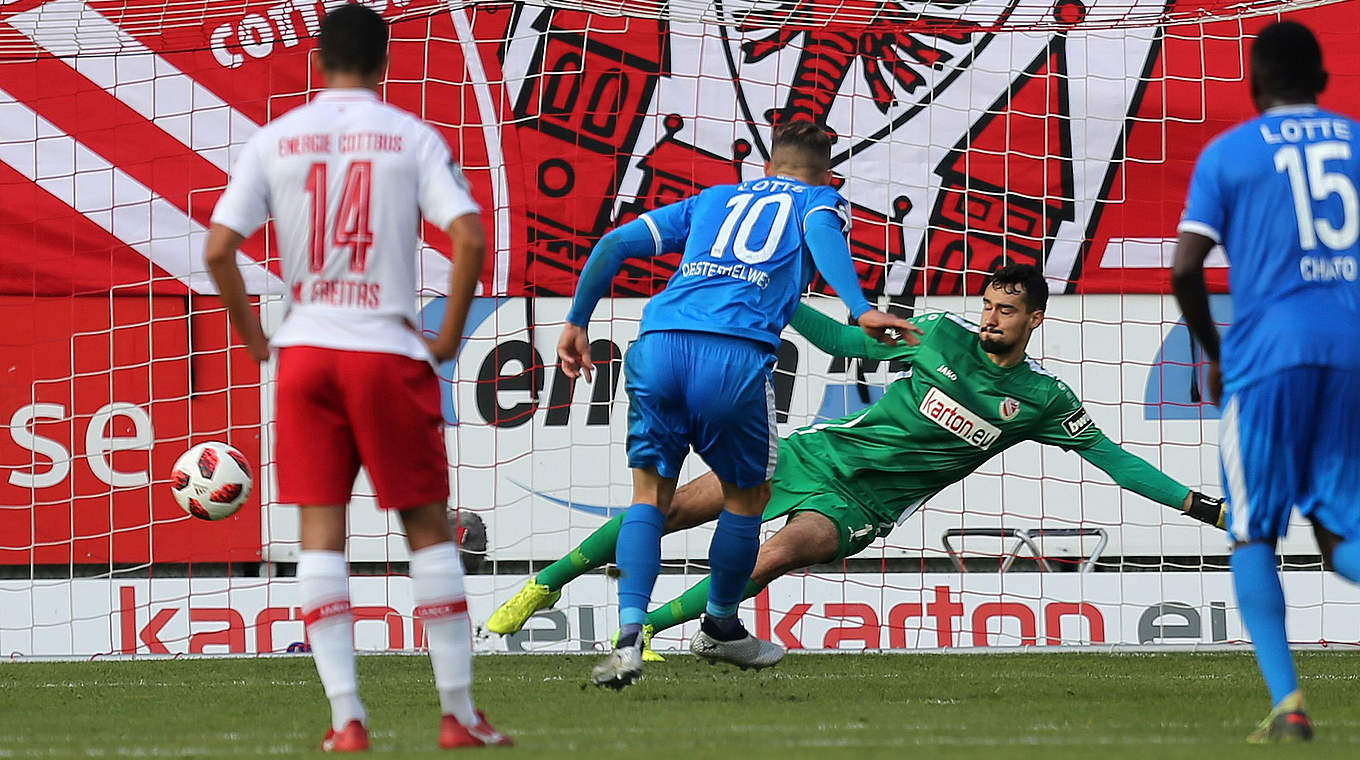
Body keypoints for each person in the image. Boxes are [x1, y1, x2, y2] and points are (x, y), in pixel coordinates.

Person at [494, 264, 1228, 661]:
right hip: (814, 454)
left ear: (1035, 319)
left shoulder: (1040, 399)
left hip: (862, 507)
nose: (990, 317)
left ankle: (644, 632)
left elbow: (1116, 462)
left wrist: (1201, 506)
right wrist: (776, 303)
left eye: (1006, 310)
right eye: (987, 304)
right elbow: (849, 343)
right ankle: (546, 585)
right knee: (672, 509)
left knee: (773, 557)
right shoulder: (938, 337)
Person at [204, 4, 510, 751]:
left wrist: (255, 341)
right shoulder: (410, 136)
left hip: (305, 351)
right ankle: (458, 716)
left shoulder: (276, 139)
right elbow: (469, 236)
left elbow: (219, 250)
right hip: (384, 348)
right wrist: (444, 337)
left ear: (315, 60)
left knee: (319, 536)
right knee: (427, 529)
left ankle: (346, 721)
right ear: (385, 62)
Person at [559, 120, 915, 688]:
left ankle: (628, 635)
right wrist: (859, 306)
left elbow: (613, 244)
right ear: (830, 173)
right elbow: (823, 231)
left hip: (657, 346)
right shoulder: (822, 201)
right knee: (748, 499)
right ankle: (721, 626)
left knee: (650, 497)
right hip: (731, 357)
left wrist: (577, 320)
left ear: (767, 166)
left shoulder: (714, 198)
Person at [1172, 20, 1360, 744]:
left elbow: (1187, 266)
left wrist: (1213, 351)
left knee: (1253, 532)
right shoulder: (1354, 141)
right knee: (1340, 532)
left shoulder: (1231, 153)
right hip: (1349, 353)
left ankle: (1290, 705)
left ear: (1254, 84)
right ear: (1323, 80)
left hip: (1267, 357)